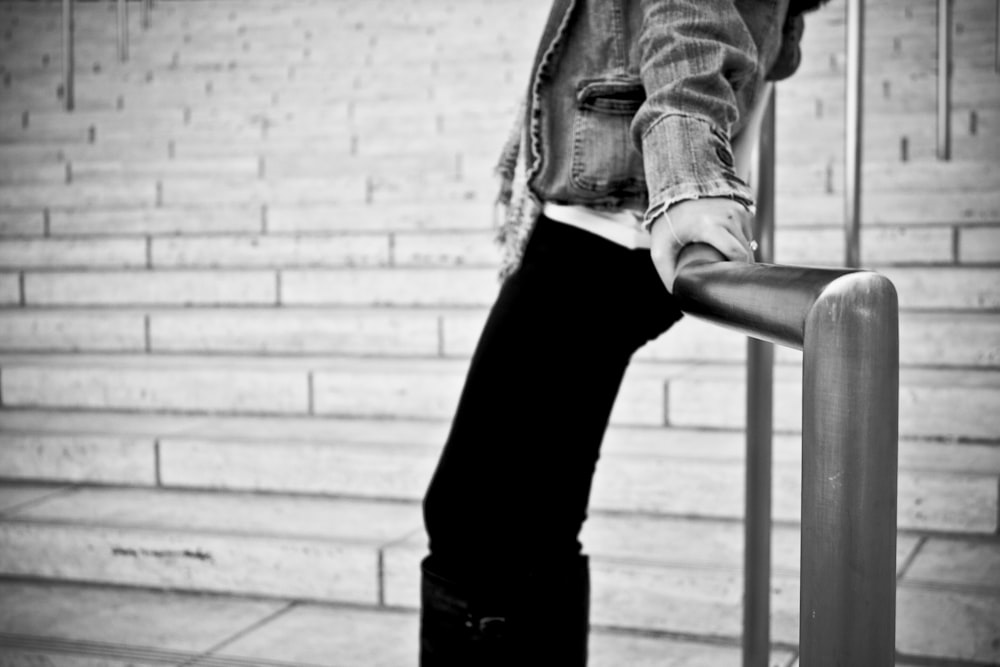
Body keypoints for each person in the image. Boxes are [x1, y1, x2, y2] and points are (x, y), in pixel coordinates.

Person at [420, 1, 826, 664]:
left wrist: (687, 169)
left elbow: (690, 11)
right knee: (528, 525)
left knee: (476, 522)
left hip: (612, 221)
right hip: (610, 217)